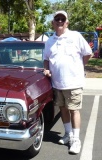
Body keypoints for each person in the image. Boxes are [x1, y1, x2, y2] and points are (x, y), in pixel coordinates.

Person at [43, 10, 92, 154]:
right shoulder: (50, 41)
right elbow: (46, 59)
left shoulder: (75, 36)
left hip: (74, 83)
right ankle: (67, 134)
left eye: (62, 19)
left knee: (74, 110)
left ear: (67, 23)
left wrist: (78, 67)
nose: (59, 21)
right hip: (57, 83)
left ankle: (76, 140)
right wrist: (46, 69)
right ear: (53, 23)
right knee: (63, 109)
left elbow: (88, 53)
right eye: (57, 19)